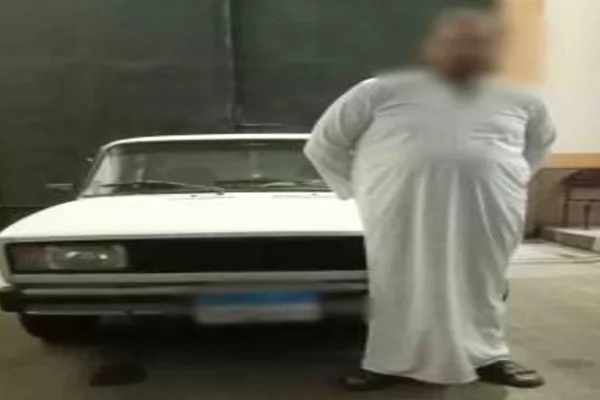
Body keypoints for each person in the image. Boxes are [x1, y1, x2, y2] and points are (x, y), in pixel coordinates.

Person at [304, 8, 556, 391]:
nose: (466, 50)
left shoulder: (523, 100)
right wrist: (364, 190)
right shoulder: (377, 91)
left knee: (483, 282)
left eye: (478, 43)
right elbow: (324, 144)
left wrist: (505, 183)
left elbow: (538, 147)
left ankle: (488, 356)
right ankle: (387, 361)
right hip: (401, 210)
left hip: (489, 210)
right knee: (399, 283)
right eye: (456, 42)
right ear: (432, 48)